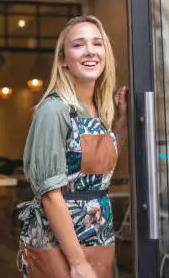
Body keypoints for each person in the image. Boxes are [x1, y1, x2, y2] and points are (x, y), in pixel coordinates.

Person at [17, 15, 129, 278]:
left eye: (97, 43)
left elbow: (97, 171)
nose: (90, 50)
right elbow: (50, 195)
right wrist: (78, 262)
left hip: (98, 233)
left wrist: (121, 124)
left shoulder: (97, 110)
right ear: (63, 60)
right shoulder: (53, 109)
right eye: (79, 45)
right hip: (61, 243)